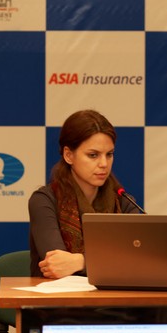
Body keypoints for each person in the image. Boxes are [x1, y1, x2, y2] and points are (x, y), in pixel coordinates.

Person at [28, 109, 138, 278]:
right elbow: (57, 264)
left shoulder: (124, 202)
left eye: (109, 154)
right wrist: (111, 261)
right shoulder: (44, 200)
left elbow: (138, 259)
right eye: (93, 155)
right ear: (68, 155)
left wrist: (80, 262)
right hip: (58, 295)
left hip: (111, 295)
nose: (104, 163)